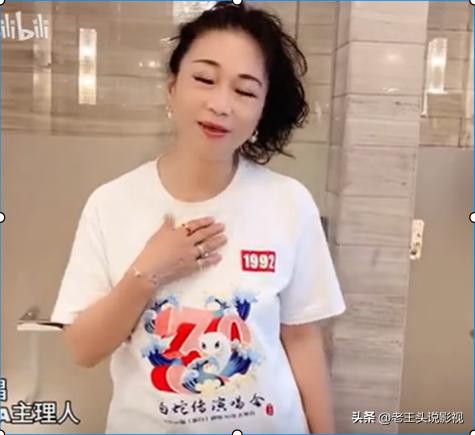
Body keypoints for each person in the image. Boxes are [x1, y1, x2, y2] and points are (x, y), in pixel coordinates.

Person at [51, 2, 346, 434]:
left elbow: (301, 338)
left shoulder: (289, 202)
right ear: (172, 88)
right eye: (205, 79)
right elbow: (83, 349)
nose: (220, 104)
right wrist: (148, 272)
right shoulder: (111, 203)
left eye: (245, 91)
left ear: (262, 109)